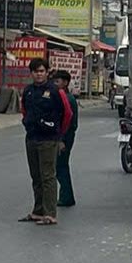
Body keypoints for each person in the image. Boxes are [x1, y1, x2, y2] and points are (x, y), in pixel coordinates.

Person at [19, 58, 63, 225]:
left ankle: (50, 214)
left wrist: (59, 135)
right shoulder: (28, 91)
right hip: (32, 138)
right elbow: (24, 110)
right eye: (36, 71)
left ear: (47, 72)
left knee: (48, 177)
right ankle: (38, 211)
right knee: (36, 176)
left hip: (48, 139)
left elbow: (65, 114)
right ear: (31, 73)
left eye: (42, 71)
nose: (39, 74)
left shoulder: (54, 91)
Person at [52, 69, 79, 208]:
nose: (55, 84)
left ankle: (66, 197)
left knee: (60, 166)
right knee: (61, 166)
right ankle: (66, 195)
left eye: (57, 81)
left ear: (65, 83)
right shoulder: (64, 97)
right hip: (65, 136)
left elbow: (68, 122)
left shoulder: (67, 99)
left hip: (65, 137)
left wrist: (61, 139)